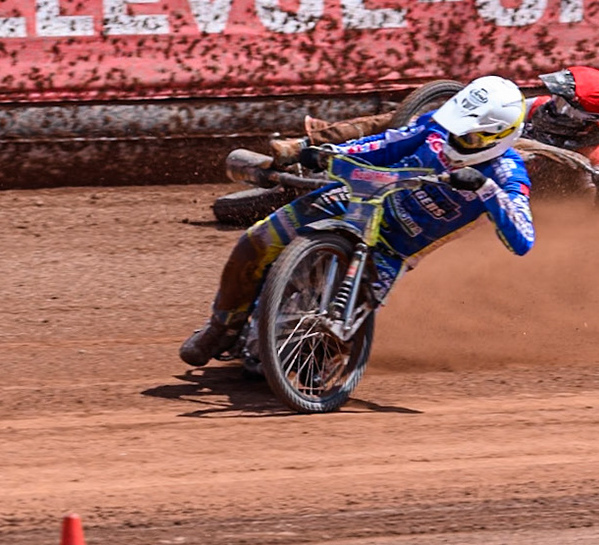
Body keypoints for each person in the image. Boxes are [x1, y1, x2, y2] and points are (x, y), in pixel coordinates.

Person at [180, 75, 536, 367]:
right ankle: (220, 329)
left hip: (393, 249)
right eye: (453, 127)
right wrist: (329, 153)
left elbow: (523, 240)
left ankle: (298, 355)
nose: (452, 139)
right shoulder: (436, 128)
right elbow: (386, 143)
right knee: (255, 243)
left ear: (498, 137)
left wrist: (486, 188)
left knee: (308, 360)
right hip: (356, 198)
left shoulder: (507, 174)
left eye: (468, 136)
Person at [271, 66, 599, 207]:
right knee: (393, 121)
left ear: (583, 117)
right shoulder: (538, 105)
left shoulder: (587, 151)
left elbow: (597, 178)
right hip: (470, 143)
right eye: (558, 98)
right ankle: (307, 143)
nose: (555, 105)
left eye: (565, 103)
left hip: (484, 183)